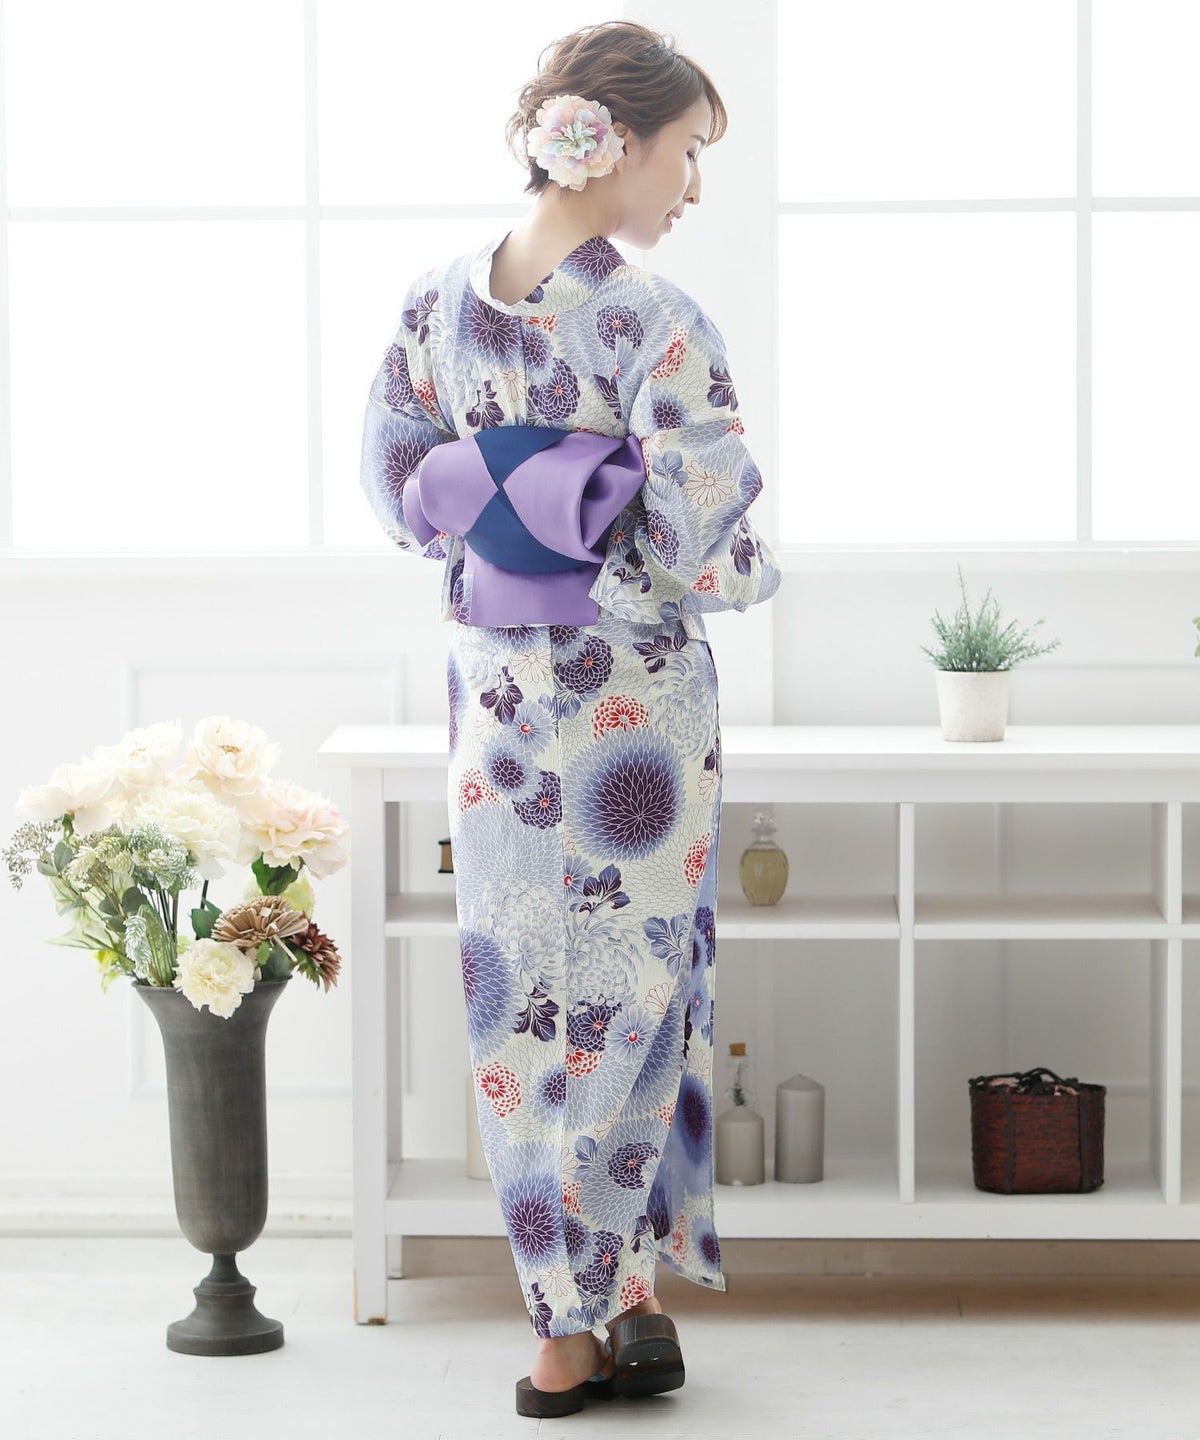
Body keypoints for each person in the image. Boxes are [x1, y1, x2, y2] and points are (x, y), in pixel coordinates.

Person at [359, 19, 782, 1420]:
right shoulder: (652, 321)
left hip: (497, 700)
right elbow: (706, 540)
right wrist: (625, 523)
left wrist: (507, 507)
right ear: (611, 145)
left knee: (524, 1000)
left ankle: (616, 1301)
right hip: (632, 712)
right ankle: (568, 1325)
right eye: (688, 153)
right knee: (628, 997)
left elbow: (400, 485)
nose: (692, 187)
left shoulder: (435, 305)